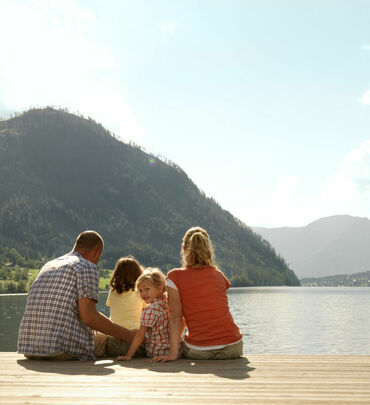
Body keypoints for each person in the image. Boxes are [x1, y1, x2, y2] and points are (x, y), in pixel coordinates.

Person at [17, 230, 136, 361]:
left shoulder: (48, 265)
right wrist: (128, 335)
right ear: (97, 251)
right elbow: (89, 318)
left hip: (29, 348)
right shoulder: (86, 266)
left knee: (101, 331)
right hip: (60, 349)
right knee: (109, 340)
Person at [152, 227, 243, 362]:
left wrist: (173, 353)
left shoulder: (174, 276)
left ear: (184, 248)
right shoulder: (219, 275)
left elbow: (176, 317)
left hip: (200, 351)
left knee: (186, 342)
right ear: (208, 249)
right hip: (233, 347)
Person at [117, 267, 171, 361]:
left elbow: (140, 335)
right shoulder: (169, 303)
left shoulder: (150, 310)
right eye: (141, 290)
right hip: (174, 350)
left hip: (156, 352)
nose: (144, 294)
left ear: (159, 287)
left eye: (147, 289)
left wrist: (128, 355)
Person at [104, 256, 146, 357]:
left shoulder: (112, 292)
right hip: (135, 343)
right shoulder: (140, 294)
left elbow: (110, 306)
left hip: (112, 345)